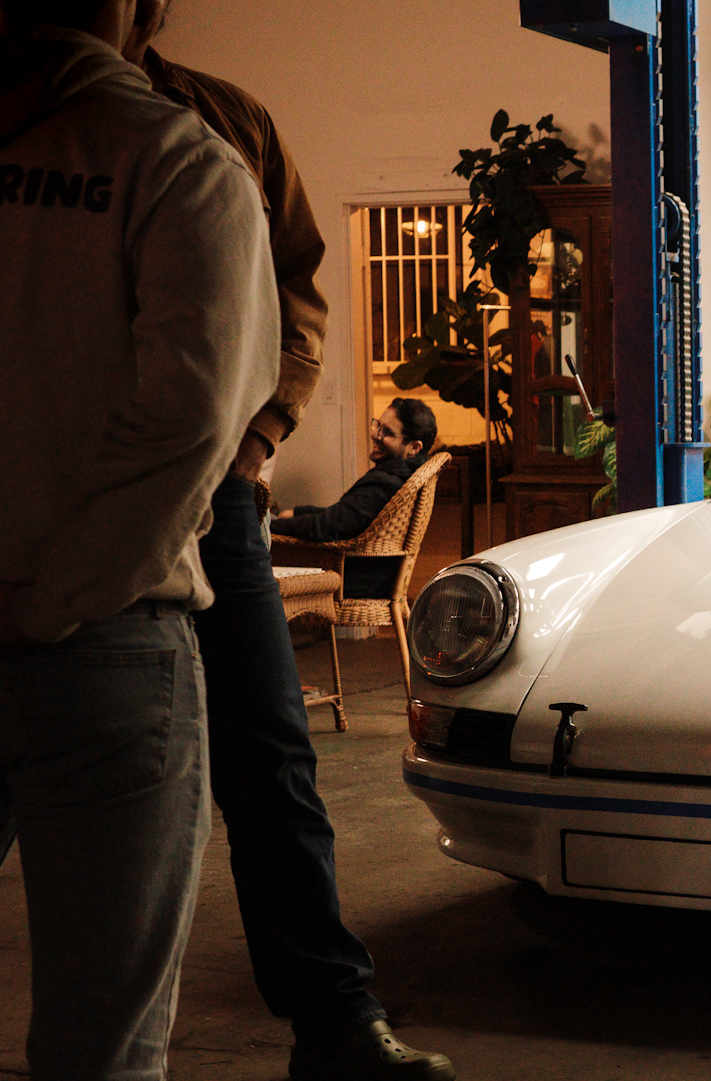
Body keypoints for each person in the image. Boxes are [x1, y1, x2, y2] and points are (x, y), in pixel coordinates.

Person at [119, 8, 456, 1078]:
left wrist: (263, 438)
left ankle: (334, 1018)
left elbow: (297, 287)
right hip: (46, 485)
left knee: (269, 751)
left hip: (216, 490)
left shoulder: (225, 121)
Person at [0, 0, 278, 1075]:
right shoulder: (174, 156)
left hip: (80, 627)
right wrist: (53, 596)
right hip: (105, 641)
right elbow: (195, 413)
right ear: (139, 10)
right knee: (99, 1043)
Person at [272, 399, 438, 599]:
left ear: (414, 447)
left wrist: (271, 528)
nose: (375, 435)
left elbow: (328, 527)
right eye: (378, 425)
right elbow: (345, 514)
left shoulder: (385, 483)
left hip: (350, 578)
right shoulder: (405, 476)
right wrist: (297, 513)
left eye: (387, 432)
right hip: (373, 577)